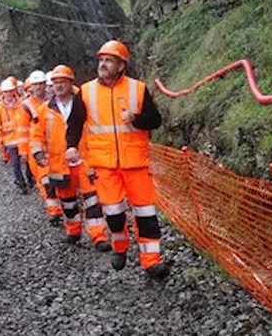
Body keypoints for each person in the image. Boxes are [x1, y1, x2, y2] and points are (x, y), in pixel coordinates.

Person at [81, 41, 169, 279]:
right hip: (105, 167)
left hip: (136, 164)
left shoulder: (138, 89)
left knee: (146, 215)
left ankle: (151, 262)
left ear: (121, 66)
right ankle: (120, 247)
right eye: (101, 60)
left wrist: (136, 118)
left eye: (108, 60)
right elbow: (75, 125)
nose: (103, 64)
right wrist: (71, 148)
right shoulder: (86, 92)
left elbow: (155, 120)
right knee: (114, 214)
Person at [31, 65, 110, 251]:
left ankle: (99, 236)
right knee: (67, 201)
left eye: (62, 82)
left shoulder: (84, 104)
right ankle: (73, 231)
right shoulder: (44, 111)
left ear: (71, 83)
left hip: (85, 160)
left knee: (92, 200)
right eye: (55, 83)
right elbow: (36, 136)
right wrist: (38, 154)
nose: (58, 86)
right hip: (60, 164)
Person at [19, 70, 63, 223]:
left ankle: (60, 207)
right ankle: (54, 211)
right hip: (35, 149)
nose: (39, 87)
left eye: (41, 84)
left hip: (54, 146)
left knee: (57, 178)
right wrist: (23, 152)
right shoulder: (26, 106)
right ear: (31, 86)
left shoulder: (53, 100)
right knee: (45, 181)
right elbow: (22, 130)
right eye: (36, 84)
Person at [0, 79, 28, 192]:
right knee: (15, 163)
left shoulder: (23, 104)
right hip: (10, 141)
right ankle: (21, 183)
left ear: (14, 91)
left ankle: (30, 178)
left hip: (24, 139)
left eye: (10, 91)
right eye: (6, 92)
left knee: (29, 162)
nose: (8, 94)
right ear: (2, 93)